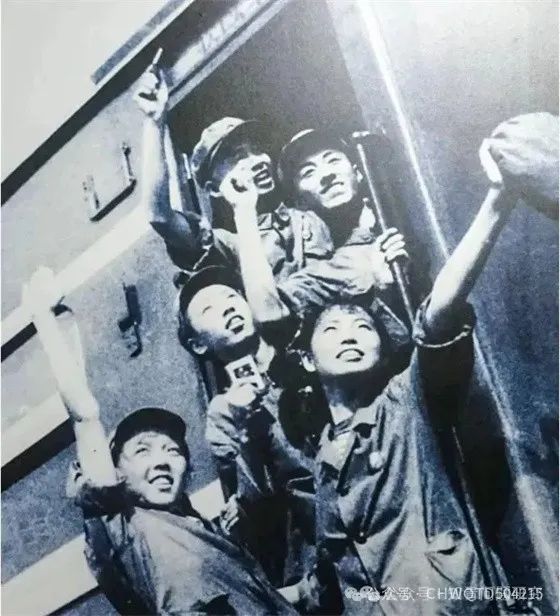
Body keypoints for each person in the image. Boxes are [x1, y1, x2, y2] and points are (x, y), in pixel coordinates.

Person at [237, 136, 528, 613]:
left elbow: (438, 315)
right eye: (332, 329)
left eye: (363, 327)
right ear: (307, 359)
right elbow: (333, 574)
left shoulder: (403, 403)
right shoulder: (322, 459)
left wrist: (499, 199)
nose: (350, 334)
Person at [23, 267, 298, 616]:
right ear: (116, 472)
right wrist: (44, 320)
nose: (162, 461)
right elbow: (85, 415)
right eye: (143, 450)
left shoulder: (211, 533)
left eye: (173, 451)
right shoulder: (124, 527)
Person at [175, 265, 319, 591]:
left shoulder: (308, 350)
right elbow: (256, 503)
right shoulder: (223, 414)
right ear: (198, 344)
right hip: (316, 551)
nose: (228, 308)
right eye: (209, 309)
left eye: (231, 297)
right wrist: (245, 428)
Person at [133, 64, 334, 282]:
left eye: (257, 149)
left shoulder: (311, 205)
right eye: (238, 157)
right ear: (214, 189)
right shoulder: (226, 245)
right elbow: (160, 216)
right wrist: (154, 122)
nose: (257, 160)